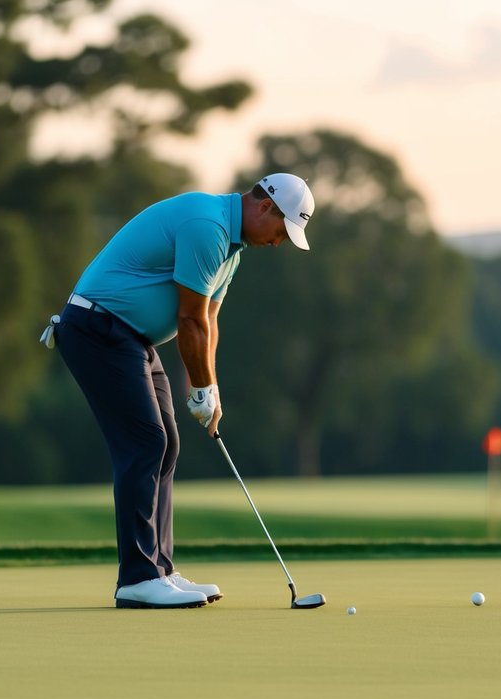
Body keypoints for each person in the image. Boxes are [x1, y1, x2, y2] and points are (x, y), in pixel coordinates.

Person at [41, 173, 316, 609]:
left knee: (165, 443)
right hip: (97, 328)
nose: (280, 242)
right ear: (265, 207)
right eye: (282, 230)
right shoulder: (207, 227)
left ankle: (159, 569)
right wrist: (201, 385)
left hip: (131, 339)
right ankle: (137, 579)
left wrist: (209, 387)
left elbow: (209, 321)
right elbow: (189, 320)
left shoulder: (233, 250)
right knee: (145, 441)